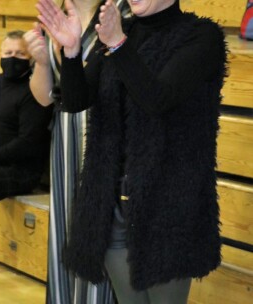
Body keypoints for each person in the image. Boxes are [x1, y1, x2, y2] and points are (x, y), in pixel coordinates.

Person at [36, 0, 226, 303]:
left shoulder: (201, 36)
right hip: (111, 206)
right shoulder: (122, 34)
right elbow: (75, 101)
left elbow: (157, 99)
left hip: (167, 207)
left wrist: (118, 44)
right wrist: (71, 53)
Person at [24, 1, 130, 303]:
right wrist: (43, 62)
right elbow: (44, 99)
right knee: (66, 230)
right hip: (66, 137)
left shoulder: (121, 11)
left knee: (100, 234)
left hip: (107, 136)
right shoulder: (56, 14)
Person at [0, 30, 53, 282]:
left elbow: (28, 144)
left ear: (30, 58)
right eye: (8, 53)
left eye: (20, 53)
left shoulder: (33, 90)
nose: (13, 58)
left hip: (21, 170)